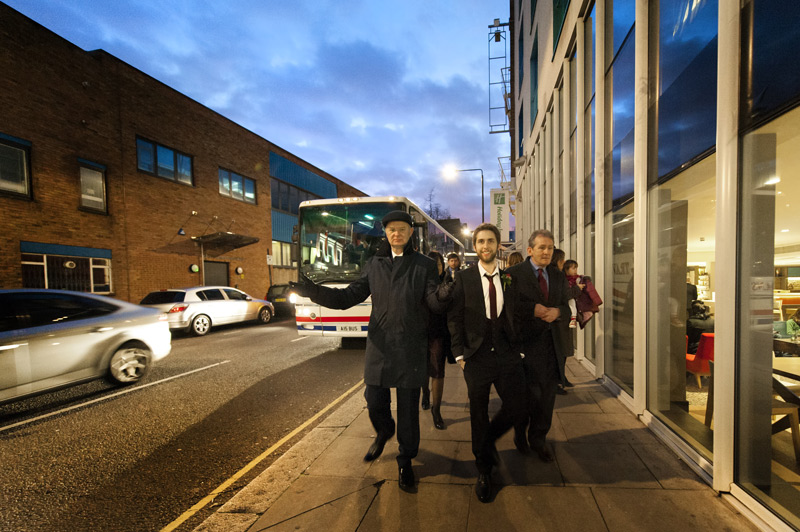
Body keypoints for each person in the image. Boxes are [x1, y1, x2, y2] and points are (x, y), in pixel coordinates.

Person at [290, 210, 449, 493]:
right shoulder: (373, 264)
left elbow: (433, 301)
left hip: (411, 345)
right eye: (391, 229)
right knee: (374, 398)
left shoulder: (423, 265)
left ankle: (405, 460)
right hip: (380, 345)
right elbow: (348, 297)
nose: (396, 233)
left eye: (402, 229)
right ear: (386, 233)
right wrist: (313, 291)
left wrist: (446, 294)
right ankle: (384, 429)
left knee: (409, 412)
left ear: (411, 233)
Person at [448, 223, 526, 503]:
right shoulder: (464, 279)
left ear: (498, 245)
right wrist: (459, 355)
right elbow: (454, 318)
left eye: (490, 241)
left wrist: (517, 349)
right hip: (476, 358)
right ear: (475, 246)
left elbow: (516, 316)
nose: (485, 246)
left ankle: (488, 439)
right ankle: (483, 471)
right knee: (478, 415)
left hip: (505, 354)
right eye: (480, 241)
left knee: (518, 405)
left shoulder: (509, 279)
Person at [507, 229, 572, 463]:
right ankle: (520, 436)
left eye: (550, 248)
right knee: (524, 399)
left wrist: (558, 312)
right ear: (530, 250)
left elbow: (566, 307)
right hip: (524, 347)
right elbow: (505, 309)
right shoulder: (512, 274)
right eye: (542, 247)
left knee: (546, 399)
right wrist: (530, 309)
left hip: (551, 348)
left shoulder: (557, 276)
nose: (547, 252)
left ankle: (538, 439)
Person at [421, 251, 453, 429]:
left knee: (438, 370)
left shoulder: (447, 282)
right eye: (433, 264)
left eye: (439, 263)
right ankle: (425, 393)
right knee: (424, 369)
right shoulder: (420, 283)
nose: (437, 267)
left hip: (439, 331)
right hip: (421, 331)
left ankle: (436, 409)